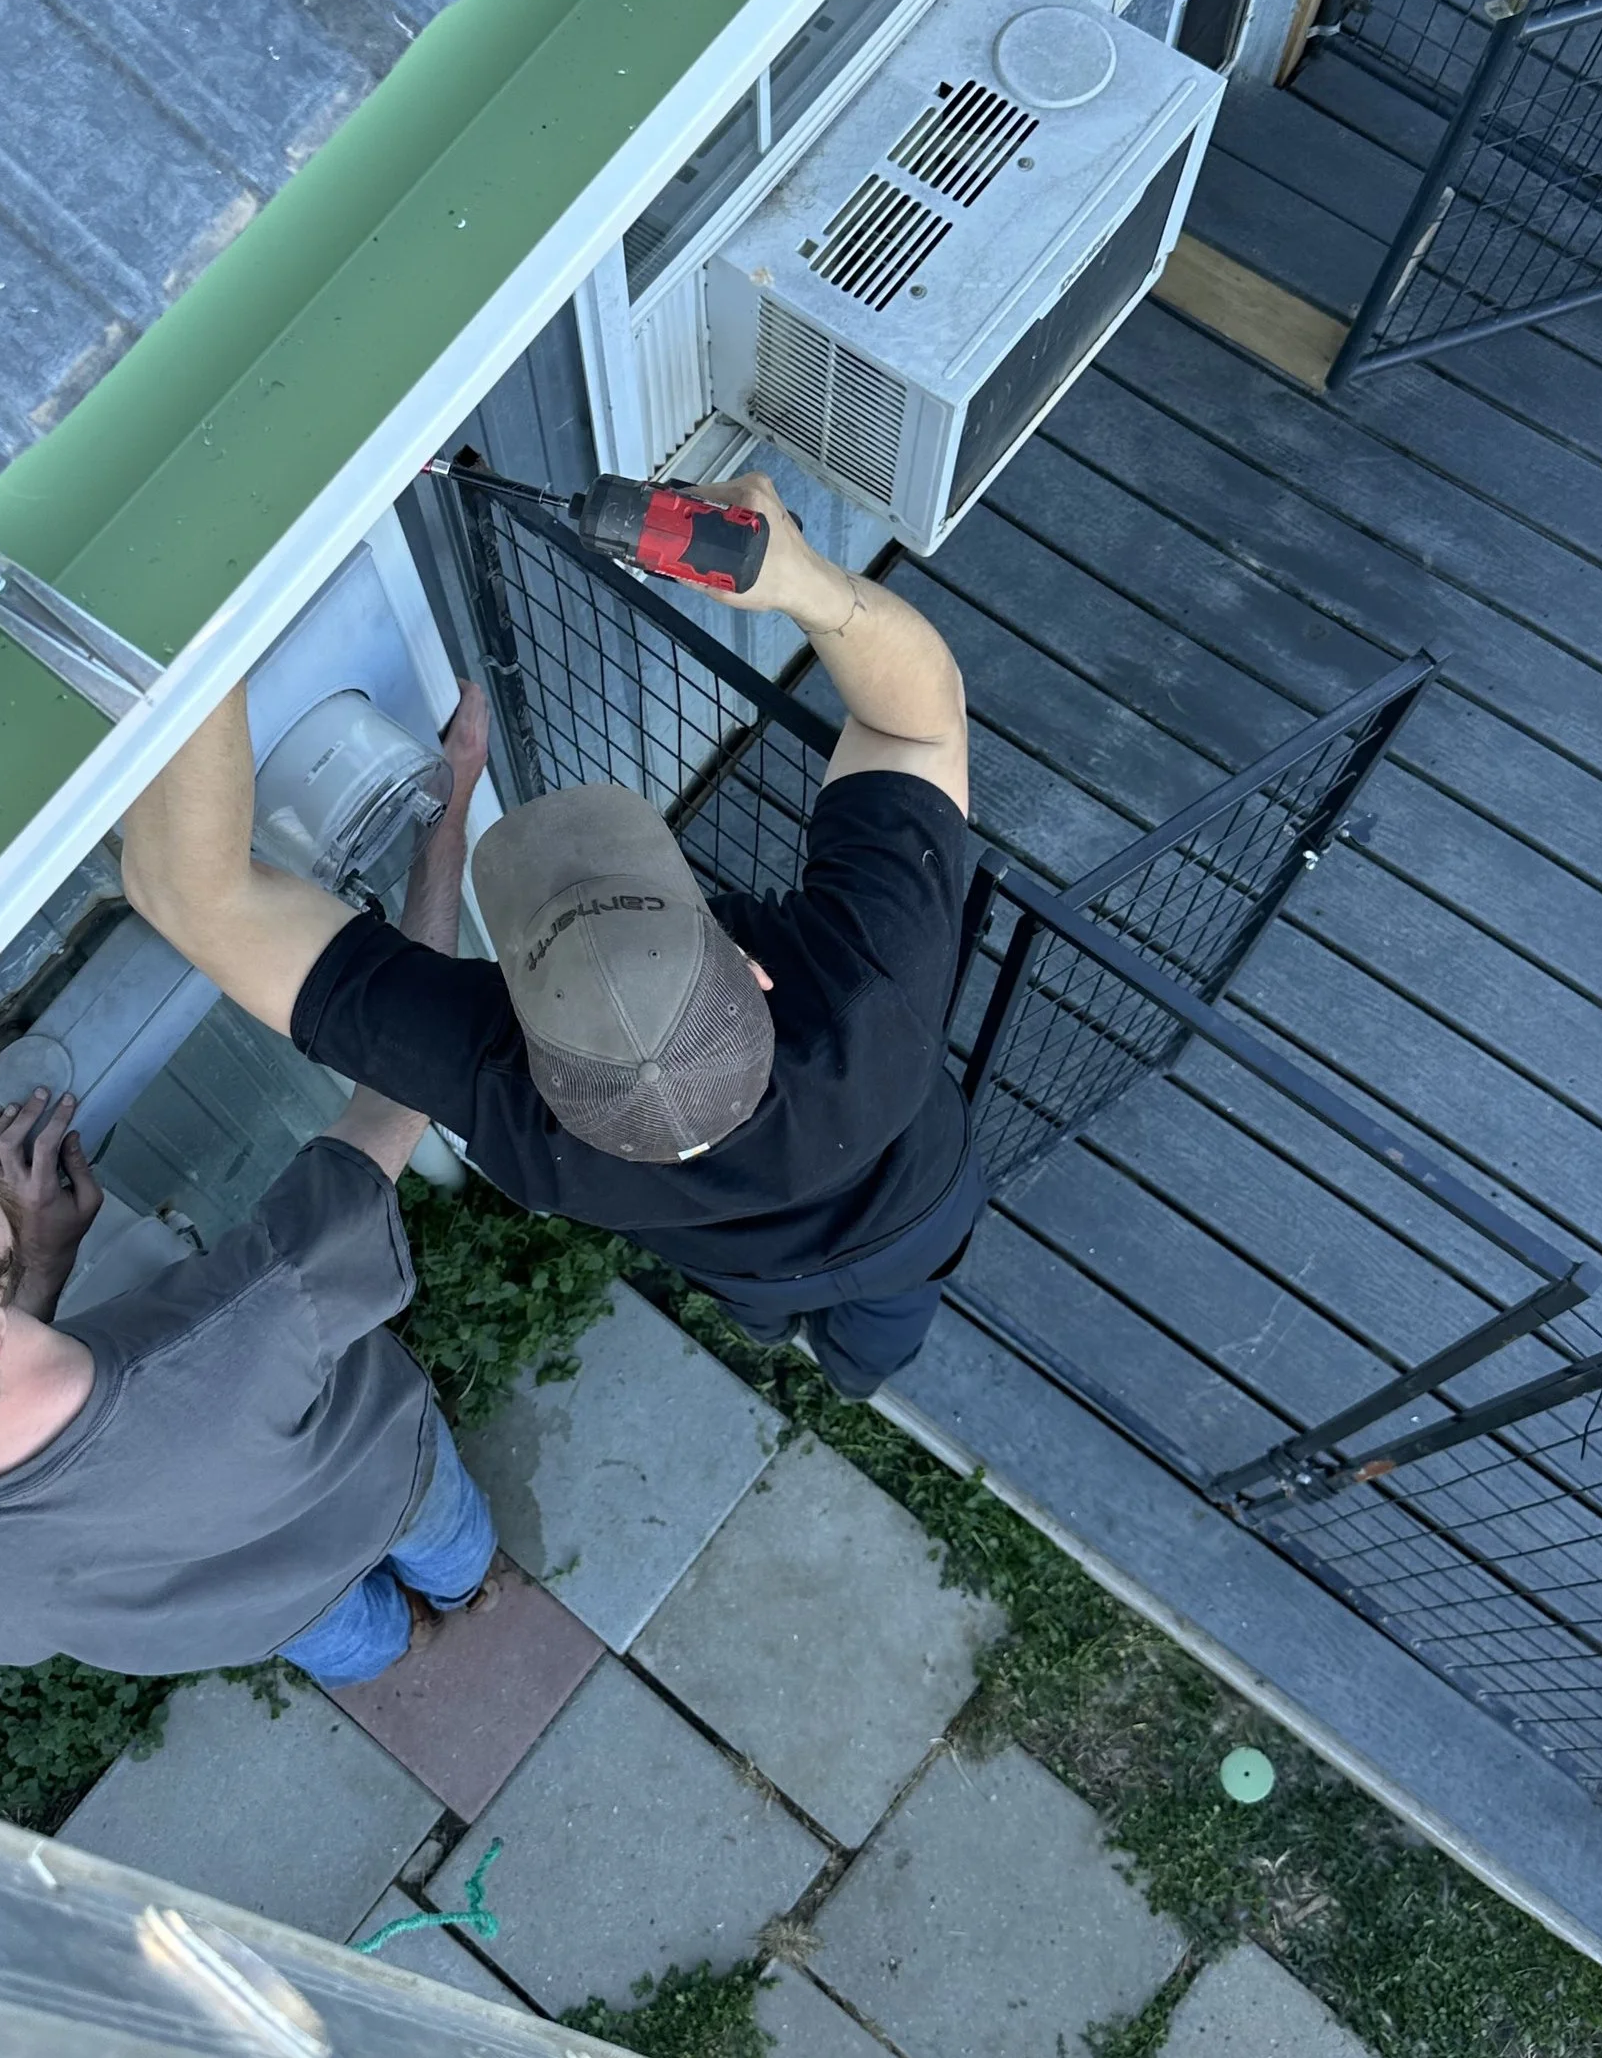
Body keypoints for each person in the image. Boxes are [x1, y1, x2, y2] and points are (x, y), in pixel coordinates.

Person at [0, 695, 499, 1691]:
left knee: (365, 1646)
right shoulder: (260, 1311)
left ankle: (413, 1647)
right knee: (455, 1548)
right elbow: (401, 1083)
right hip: (390, 1484)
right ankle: (465, 1593)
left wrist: (36, 1273)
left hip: (275, 1618)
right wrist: (449, 812)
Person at [122, 477, 980, 1398]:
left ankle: (823, 1355)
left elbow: (195, 895)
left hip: (755, 1265)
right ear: (756, 974)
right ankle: (852, 1372)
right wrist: (801, 582)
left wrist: (443, 821)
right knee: (880, 1330)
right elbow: (916, 723)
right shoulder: (873, 989)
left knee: (779, 1317)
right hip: (920, 1200)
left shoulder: (530, 1131)